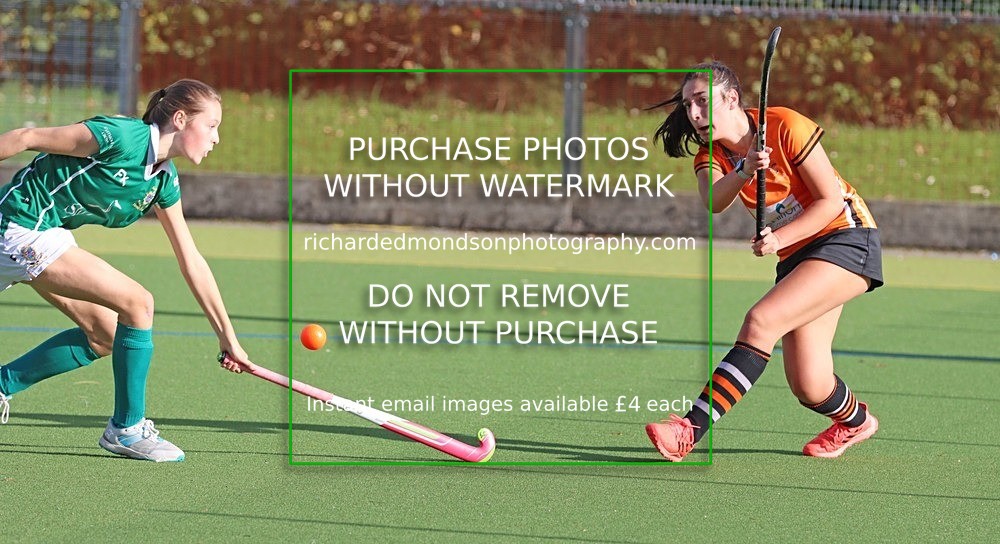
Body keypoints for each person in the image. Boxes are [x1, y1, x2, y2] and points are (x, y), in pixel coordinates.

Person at [0, 79, 255, 462]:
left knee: (104, 334)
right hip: (19, 225)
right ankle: (126, 429)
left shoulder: (162, 180)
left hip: (45, 235)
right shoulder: (121, 136)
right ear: (181, 119)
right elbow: (26, 136)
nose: (217, 138)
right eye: (213, 125)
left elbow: (191, 259)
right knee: (137, 302)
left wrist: (228, 337)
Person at [645, 61, 882, 461]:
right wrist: (743, 169)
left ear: (731, 98)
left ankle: (688, 430)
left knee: (761, 321)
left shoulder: (787, 125)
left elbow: (830, 201)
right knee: (809, 384)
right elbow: (713, 201)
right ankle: (856, 421)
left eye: (702, 102)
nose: (694, 114)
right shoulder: (711, 154)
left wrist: (779, 238)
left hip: (846, 238)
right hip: (798, 258)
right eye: (688, 106)